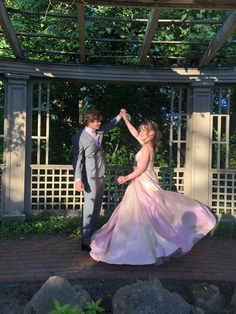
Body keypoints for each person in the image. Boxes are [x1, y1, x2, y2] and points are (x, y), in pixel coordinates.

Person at [89, 112, 217, 265]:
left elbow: (141, 168)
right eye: (141, 129)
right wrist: (124, 119)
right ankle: (144, 245)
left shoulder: (146, 148)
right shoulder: (146, 145)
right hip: (141, 184)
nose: (140, 132)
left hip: (145, 184)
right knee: (142, 216)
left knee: (149, 215)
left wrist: (126, 178)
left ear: (150, 134)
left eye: (143, 130)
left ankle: (147, 248)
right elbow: (134, 132)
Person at [72, 107, 126, 251]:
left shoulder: (99, 132)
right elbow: (77, 160)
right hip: (89, 178)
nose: (99, 123)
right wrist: (78, 179)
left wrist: (120, 116)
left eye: (99, 120)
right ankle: (85, 242)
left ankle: (93, 237)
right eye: (96, 121)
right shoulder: (79, 137)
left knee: (97, 208)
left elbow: (110, 124)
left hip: (101, 175)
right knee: (89, 209)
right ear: (89, 121)